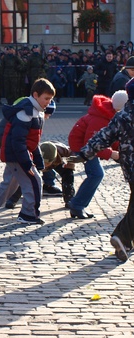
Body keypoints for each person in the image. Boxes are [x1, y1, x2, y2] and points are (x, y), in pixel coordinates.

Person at [0, 78, 55, 224]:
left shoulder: (36, 112)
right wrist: (28, 163)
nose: (48, 102)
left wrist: (38, 159)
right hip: (16, 154)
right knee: (34, 182)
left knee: (9, 185)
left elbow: (33, 140)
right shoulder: (26, 112)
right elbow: (18, 141)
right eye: (46, 98)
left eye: (50, 99)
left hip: (18, 153)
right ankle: (28, 214)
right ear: (35, 95)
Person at [70, 78, 134, 262]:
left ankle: (126, 242)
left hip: (129, 167)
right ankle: (122, 237)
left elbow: (103, 137)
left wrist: (84, 154)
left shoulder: (123, 116)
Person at [67, 90, 128, 219]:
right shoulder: (100, 118)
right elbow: (92, 143)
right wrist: (112, 154)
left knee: (96, 174)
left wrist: (120, 151)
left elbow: (113, 138)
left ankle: (78, 205)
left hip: (86, 146)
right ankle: (77, 205)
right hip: (82, 147)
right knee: (96, 174)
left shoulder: (109, 113)